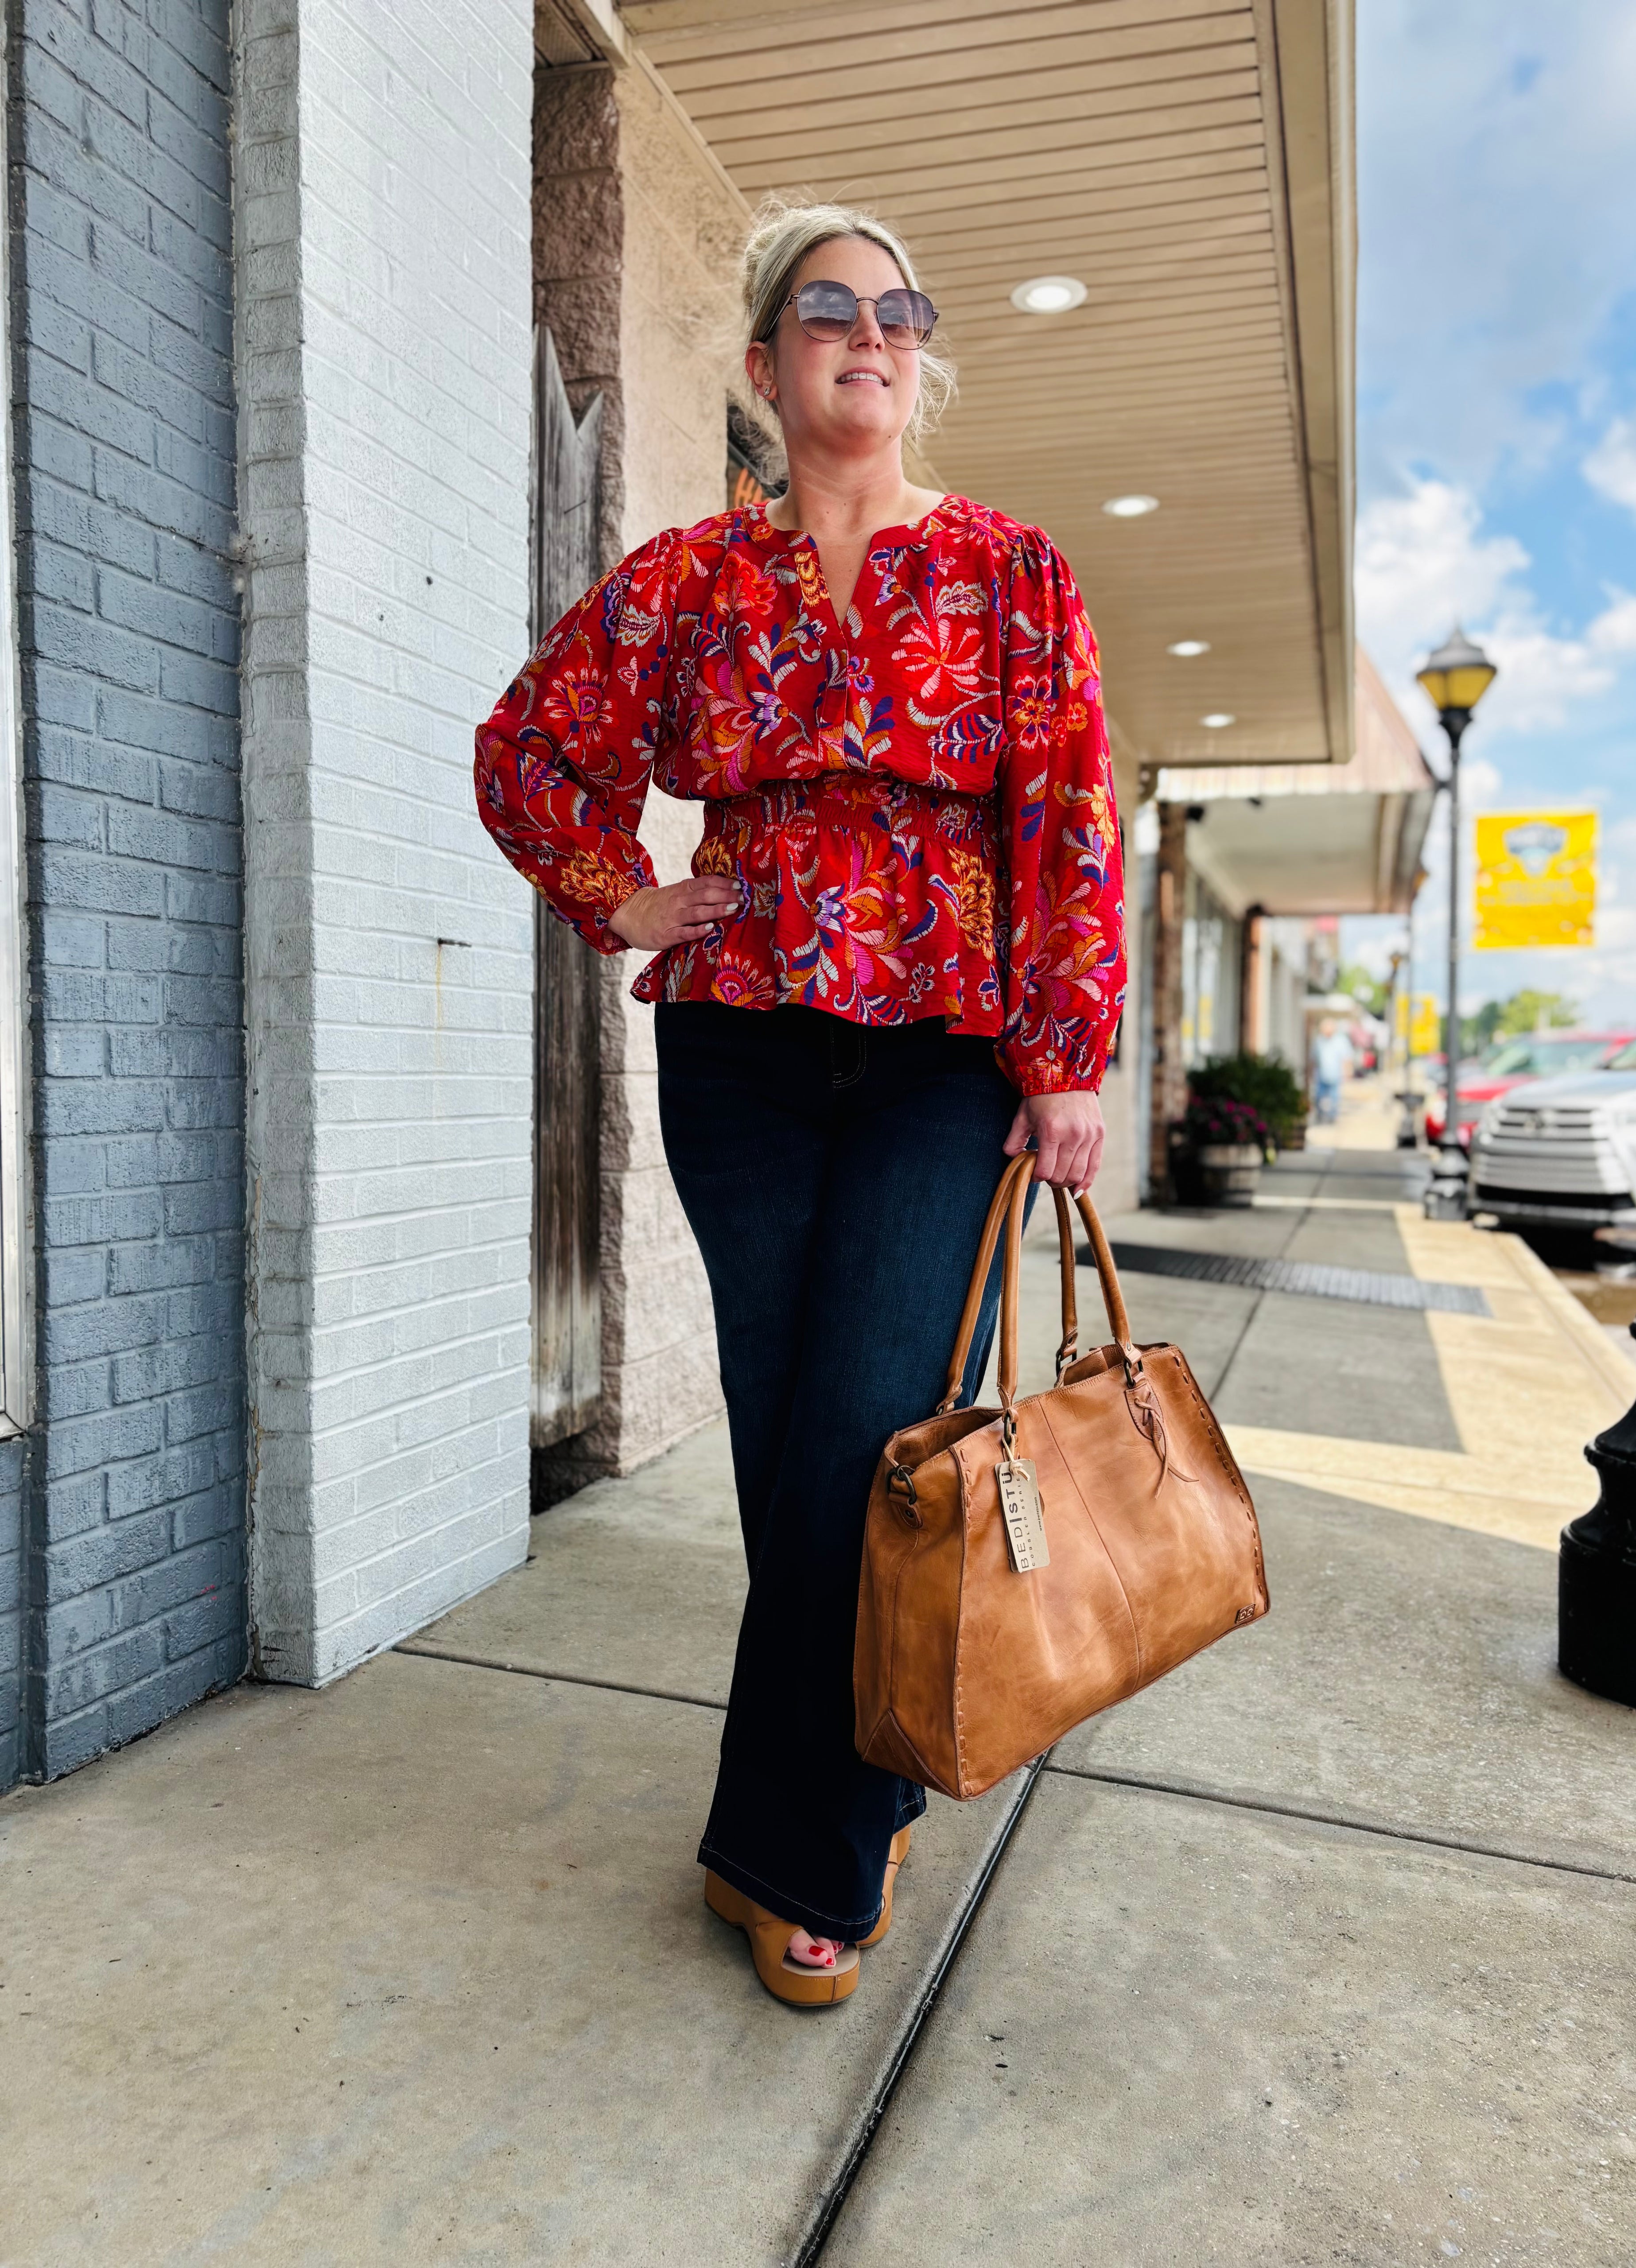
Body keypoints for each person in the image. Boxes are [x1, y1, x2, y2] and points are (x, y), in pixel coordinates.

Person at [474, 200, 1125, 2008]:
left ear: (921, 359)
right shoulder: (687, 579)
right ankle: (879, 1756)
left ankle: (798, 1851)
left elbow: (1067, 812)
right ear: (765, 362)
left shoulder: (1013, 570)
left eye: (900, 310)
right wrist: (619, 893)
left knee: (867, 1434)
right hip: (744, 1044)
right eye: (829, 309)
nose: (872, 333)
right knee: (794, 1449)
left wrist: (1066, 1052)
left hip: (942, 1049)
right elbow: (530, 749)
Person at [1313, 1016, 1355, 1124]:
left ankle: (1332, 1117)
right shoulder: (1319, 1041)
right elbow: (1313, 1059)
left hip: (1335, 1075)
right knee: (1318, 1097)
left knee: (1334, 1098)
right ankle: (1320, 1115)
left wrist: (1348, 1072)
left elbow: (1347, 1058)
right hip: (1321, 1074)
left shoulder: (1340, 1040)